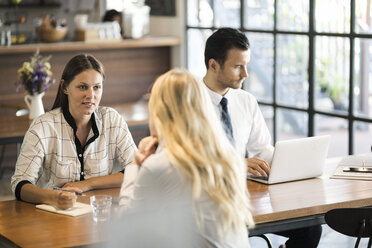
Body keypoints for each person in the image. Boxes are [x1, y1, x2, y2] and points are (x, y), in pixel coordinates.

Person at [202, 28, 322, 248]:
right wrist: (237, 164)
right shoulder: (188, 104)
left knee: (311, 227)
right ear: (213, 65)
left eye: (246, 65)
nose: (245, 74)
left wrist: (293, 164)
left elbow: (262, 149)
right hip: (205, 199)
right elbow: (185, 162)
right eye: (238, 66)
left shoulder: (246, 101)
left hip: (243, 197)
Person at [112, 69, 254, 247]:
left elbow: (128, 224)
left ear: (160, 113)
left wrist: (135, 164)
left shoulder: (160, 166)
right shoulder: (229, 158)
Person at [11, 54, 136, 210]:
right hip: (55, 215)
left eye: (97, 87)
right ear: (65, 87)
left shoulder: (112, 119)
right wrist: (54, 198)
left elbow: (136, 169)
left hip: (98, 212)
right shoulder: (43, 126)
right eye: (83, 87)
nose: (91, 95)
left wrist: (87, 184)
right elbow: (20, 185)